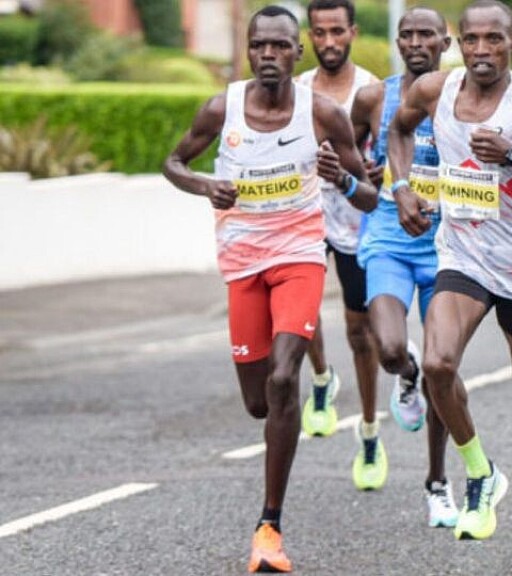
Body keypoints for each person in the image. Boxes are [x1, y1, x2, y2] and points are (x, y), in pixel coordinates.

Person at [161, 5, 377, 573]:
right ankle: (295, 405)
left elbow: (369, 197)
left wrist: (341, 178)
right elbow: (173, 162)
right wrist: (204, 184)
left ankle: (269, 526)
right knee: (260, 402)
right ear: (249, 50)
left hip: (299, 256)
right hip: (242, 265)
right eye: (259, 45)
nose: (268, 55)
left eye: (280, 46)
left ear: (297, 52)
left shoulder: (322, 113)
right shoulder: (223, 107)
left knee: (284, 378)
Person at [387, 0, 512, 568]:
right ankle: (481, 473)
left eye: (493, 39)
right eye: (471, 39)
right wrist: (401, 187)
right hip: (462, 255)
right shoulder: (436, 90)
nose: (480, 50)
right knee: (438, 364)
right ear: (459, 43)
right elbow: (398, 130)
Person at [348, 6, 458, 526]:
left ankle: (437, 483)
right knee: (390, 350)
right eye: (407, 35)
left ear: (445, 43)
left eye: (426, 35)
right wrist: (362, 171)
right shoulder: (374, 97)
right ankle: (405, 374)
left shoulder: (462, 97)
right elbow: (347, 145)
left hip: (448, 249)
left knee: (444, 368)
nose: (416, 43)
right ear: (397, 42)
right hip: (388, 241)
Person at [296, 0, 387, 492]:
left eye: (337, 31)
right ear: (310, 35)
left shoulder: (371, 90)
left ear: (352, 32)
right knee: (300, 313)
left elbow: (389, 152)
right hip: (306, 215)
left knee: (359, 332)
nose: (328, 41)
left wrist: (376, 171)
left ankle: (369, 430)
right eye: (319, 32)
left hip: (355, 220)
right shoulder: (296, 90)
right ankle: (321, 379)